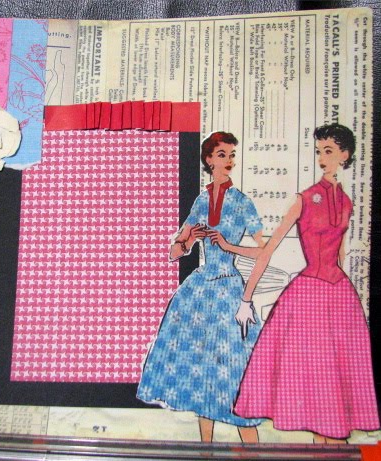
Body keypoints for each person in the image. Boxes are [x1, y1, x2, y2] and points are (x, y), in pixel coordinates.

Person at [232, 123, 380, 443]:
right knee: (312, 378)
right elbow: (268, 249)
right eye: (319, 152)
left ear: (345, 155)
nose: (322, 158)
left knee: (336, 379)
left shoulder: (347, 202)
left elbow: (340, 254)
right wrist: (246, 298)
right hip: (308, 293)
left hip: (339, 295)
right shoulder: (304, 198)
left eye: (329, 151)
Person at [137, 131, 265, 443]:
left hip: (230, 290)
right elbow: (174, 252)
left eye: (232, 155)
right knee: (202, 373)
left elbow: (264, 251)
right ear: (209, 160)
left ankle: (253, 448)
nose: (229, 161)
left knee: (234, 372)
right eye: (222, 155)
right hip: (200, 290)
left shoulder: (242, 202)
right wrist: (188, 239)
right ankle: (205, 450)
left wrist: (228, 245)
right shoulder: (201, 200)